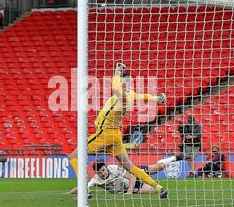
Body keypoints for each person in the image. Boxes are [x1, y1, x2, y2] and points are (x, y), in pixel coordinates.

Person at [69, 62, 169, 199]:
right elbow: (143, 96)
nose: (124, 84)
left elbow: (115, 88)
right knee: (130, 167)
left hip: (105, 133)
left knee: (73, 156)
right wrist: (157, 99)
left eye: (126, 83)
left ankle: (84, 189)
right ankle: (159, 187)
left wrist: (117, 72)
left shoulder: (122, 98)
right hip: (115, 136)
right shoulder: (130, 95)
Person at [69, 155, 179, 197]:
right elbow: (83, 187)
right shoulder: (96, 180)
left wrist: (129, 192)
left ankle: (169, 159)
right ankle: (159, 188)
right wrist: (69, 193)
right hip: (132, 186)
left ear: (106, 167)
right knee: (154, 191)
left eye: (103, 170)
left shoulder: (114, 168)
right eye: (99, 173)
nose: (102, 174)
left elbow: (132, 177)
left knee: (159, 167)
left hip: (134, 175)